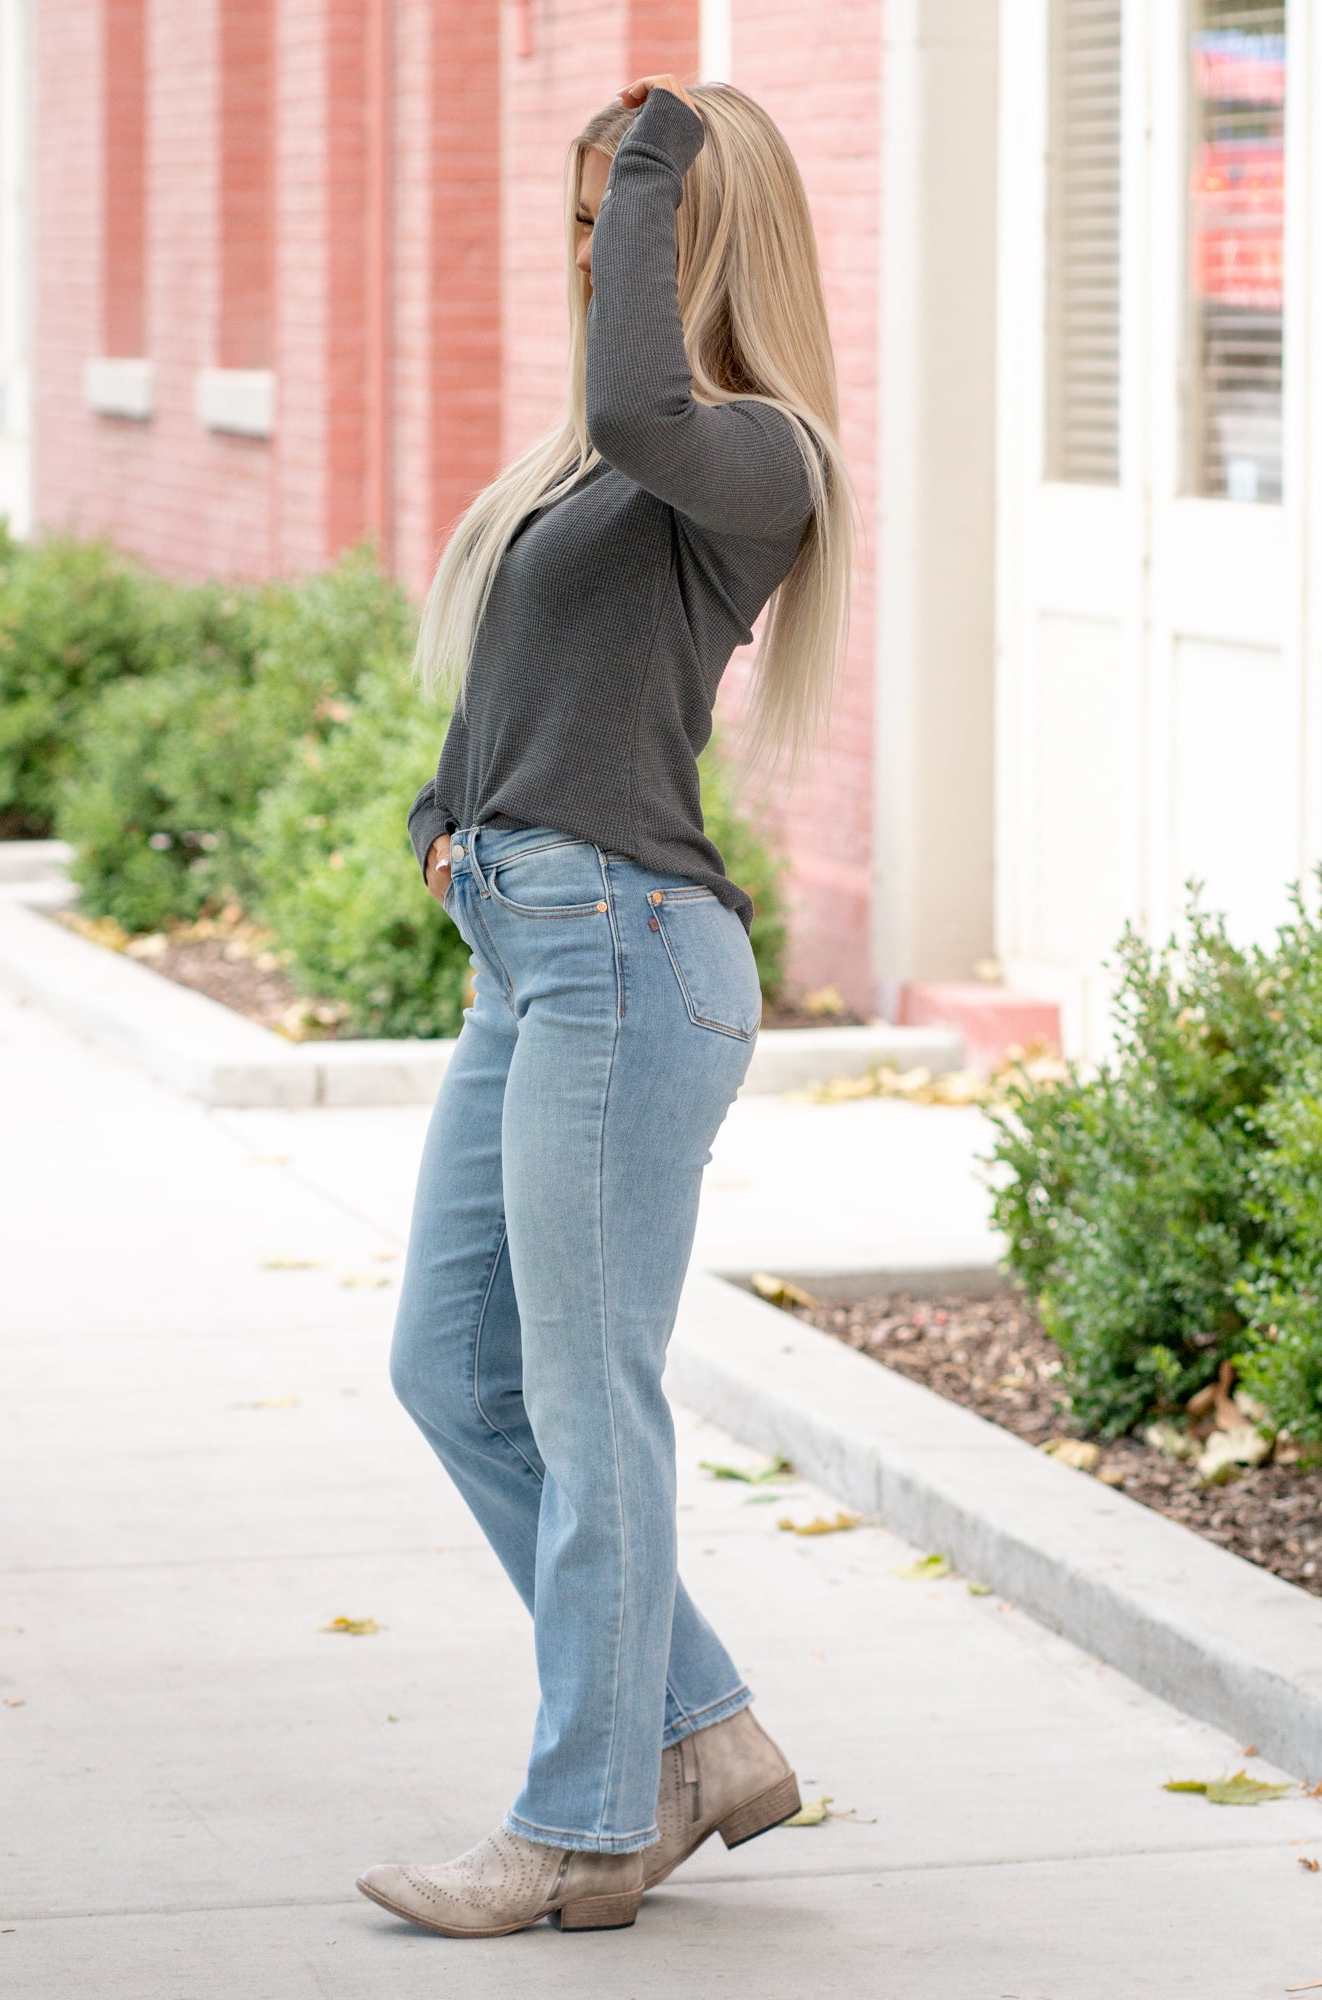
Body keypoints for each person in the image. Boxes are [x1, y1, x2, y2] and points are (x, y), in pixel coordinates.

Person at [358, 70, 855, 1940]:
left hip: (630, 959)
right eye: (581, 221)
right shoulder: (589, 465)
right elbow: (530, 685)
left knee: (587, 1398)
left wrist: (660, 146)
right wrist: (446, 817)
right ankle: (700, 1731)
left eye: (628, 219)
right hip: (536, 951)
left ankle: (582, 1822)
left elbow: (643, 390)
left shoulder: (751, 455)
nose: (594, 255)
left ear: (707, 233)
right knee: (453, 1370)